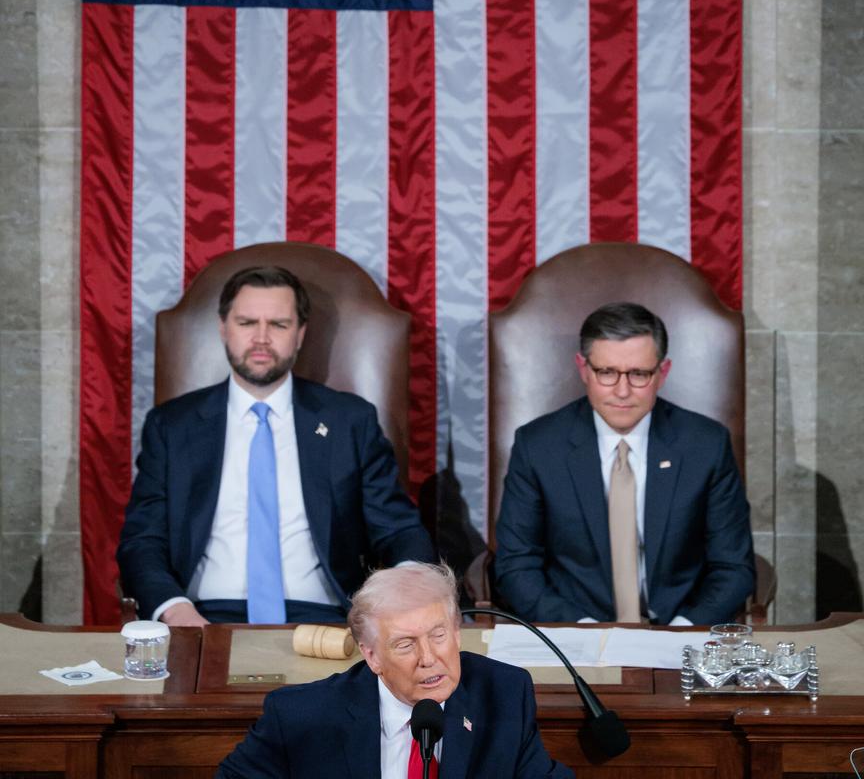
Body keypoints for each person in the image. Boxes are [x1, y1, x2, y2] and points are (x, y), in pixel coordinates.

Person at [118, 265, 435, 625]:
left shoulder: (349, 421)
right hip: (202, 616)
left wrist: (410, 583)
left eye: (279, 325)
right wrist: (175, 609)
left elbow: (398, 528)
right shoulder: (173, 426)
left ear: (300, 334)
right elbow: (142, 540)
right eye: (247, 322)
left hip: (325, 621)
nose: (261, 338)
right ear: (223, 328)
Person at [494, 302, 755, 626]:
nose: (622, 391)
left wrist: (684, 630)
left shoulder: (706, 445)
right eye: (606, 372)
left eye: (639, 374)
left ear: (662, 373)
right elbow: (516, 566)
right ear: (583, 369)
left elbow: (733, 567)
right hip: (575, 630)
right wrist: (581, 630)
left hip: (679, 629)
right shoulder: (538, 446)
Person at [217, 563, 574, 778]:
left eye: (438, 636)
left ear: (456, 633)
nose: (428, 658)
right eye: (405, 644)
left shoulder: (504, 695)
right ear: (371, 656)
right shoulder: (301, 716)